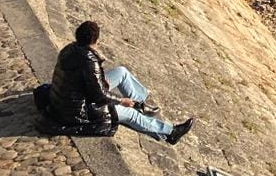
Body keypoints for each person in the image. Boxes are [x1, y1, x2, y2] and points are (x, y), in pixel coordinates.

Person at [50, 21, 193, 143]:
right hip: (80, 110)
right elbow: (98, 96)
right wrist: (121, 101)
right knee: (130, 114)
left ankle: (139, 104)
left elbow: (88, 82)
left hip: (72, 97)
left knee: (121, 72)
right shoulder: (89, 61)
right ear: (96, 40)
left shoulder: (70, 49)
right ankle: (170, 132)